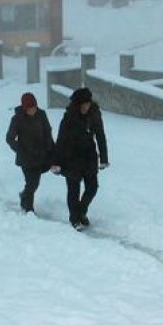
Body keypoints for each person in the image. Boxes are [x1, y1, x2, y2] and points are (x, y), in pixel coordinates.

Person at [53, 87, 108, 230]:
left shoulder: (94, 114)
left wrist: (104, 158)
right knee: (73, 190)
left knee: (92, 187)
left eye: (87, 104)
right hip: (71, 157)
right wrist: (56, 162)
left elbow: (100, 135)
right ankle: (74, 219)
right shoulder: (69, 117)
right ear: (77, 104)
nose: (85, 107)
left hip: (89, 155)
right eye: (82, 104)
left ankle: (81, 211)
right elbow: (61, 140)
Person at [5, 92, 55, 213]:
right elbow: (9, 138)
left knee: (34, 183)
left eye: (34, 107)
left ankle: (24, 196)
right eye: (30, 108)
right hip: (26, 157)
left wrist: (52, 151)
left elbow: (48, 132)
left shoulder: (41, 115)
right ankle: (28, 208)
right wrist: (20, 149)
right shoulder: (17, 118)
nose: (32, 110)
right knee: (31, 182)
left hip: (41, 155)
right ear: (24, 108)